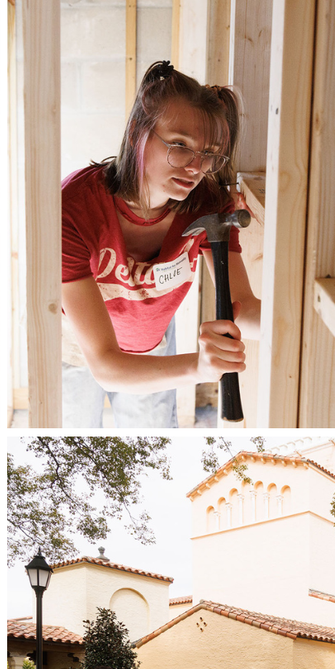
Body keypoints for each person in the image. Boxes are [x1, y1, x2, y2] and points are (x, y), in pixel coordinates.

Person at [60, 60, 260, 427]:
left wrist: (307, 323)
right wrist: (198, 366)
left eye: (209, 154)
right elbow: (105, 364)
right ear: (139, 131)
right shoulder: (72, 209)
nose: (195, 168)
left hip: (153, 347)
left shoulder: (209, 205)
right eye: (180, 145)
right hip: (77, 350)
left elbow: (243, 309)